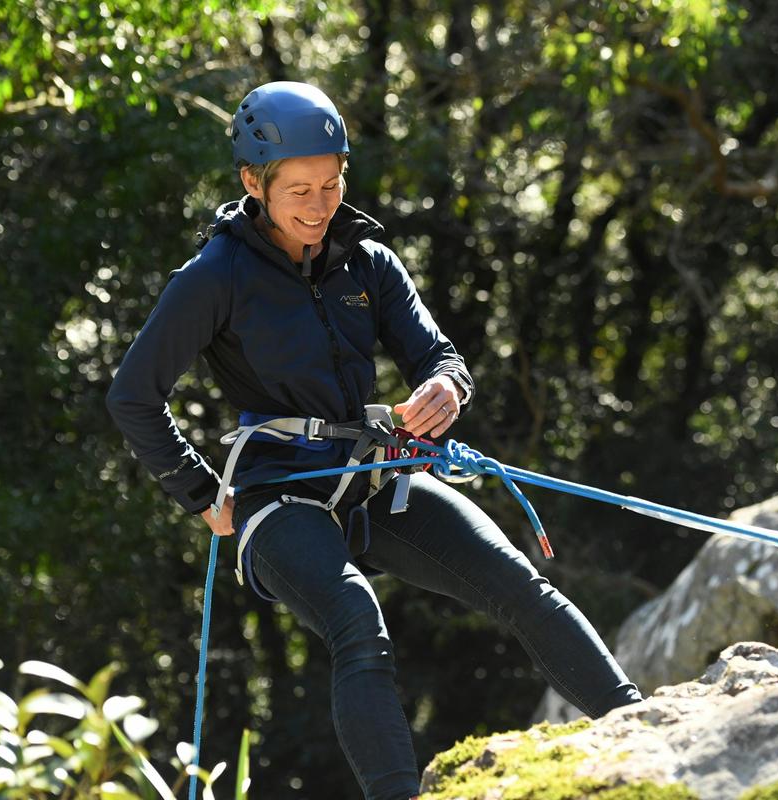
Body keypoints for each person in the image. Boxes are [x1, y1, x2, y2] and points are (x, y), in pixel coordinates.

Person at [106, 80, 641, 800]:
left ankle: (643, 727)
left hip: (374, 477)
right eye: (299, 190)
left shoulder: (367, 260)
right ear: (251, 183)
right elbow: (132, 395)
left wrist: (446, 388)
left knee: (517, 582)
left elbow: (438, 355)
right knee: (357, 622)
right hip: (276, 497)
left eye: (332, 184)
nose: (321, 206)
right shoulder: (215, 276)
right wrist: (199, 492)